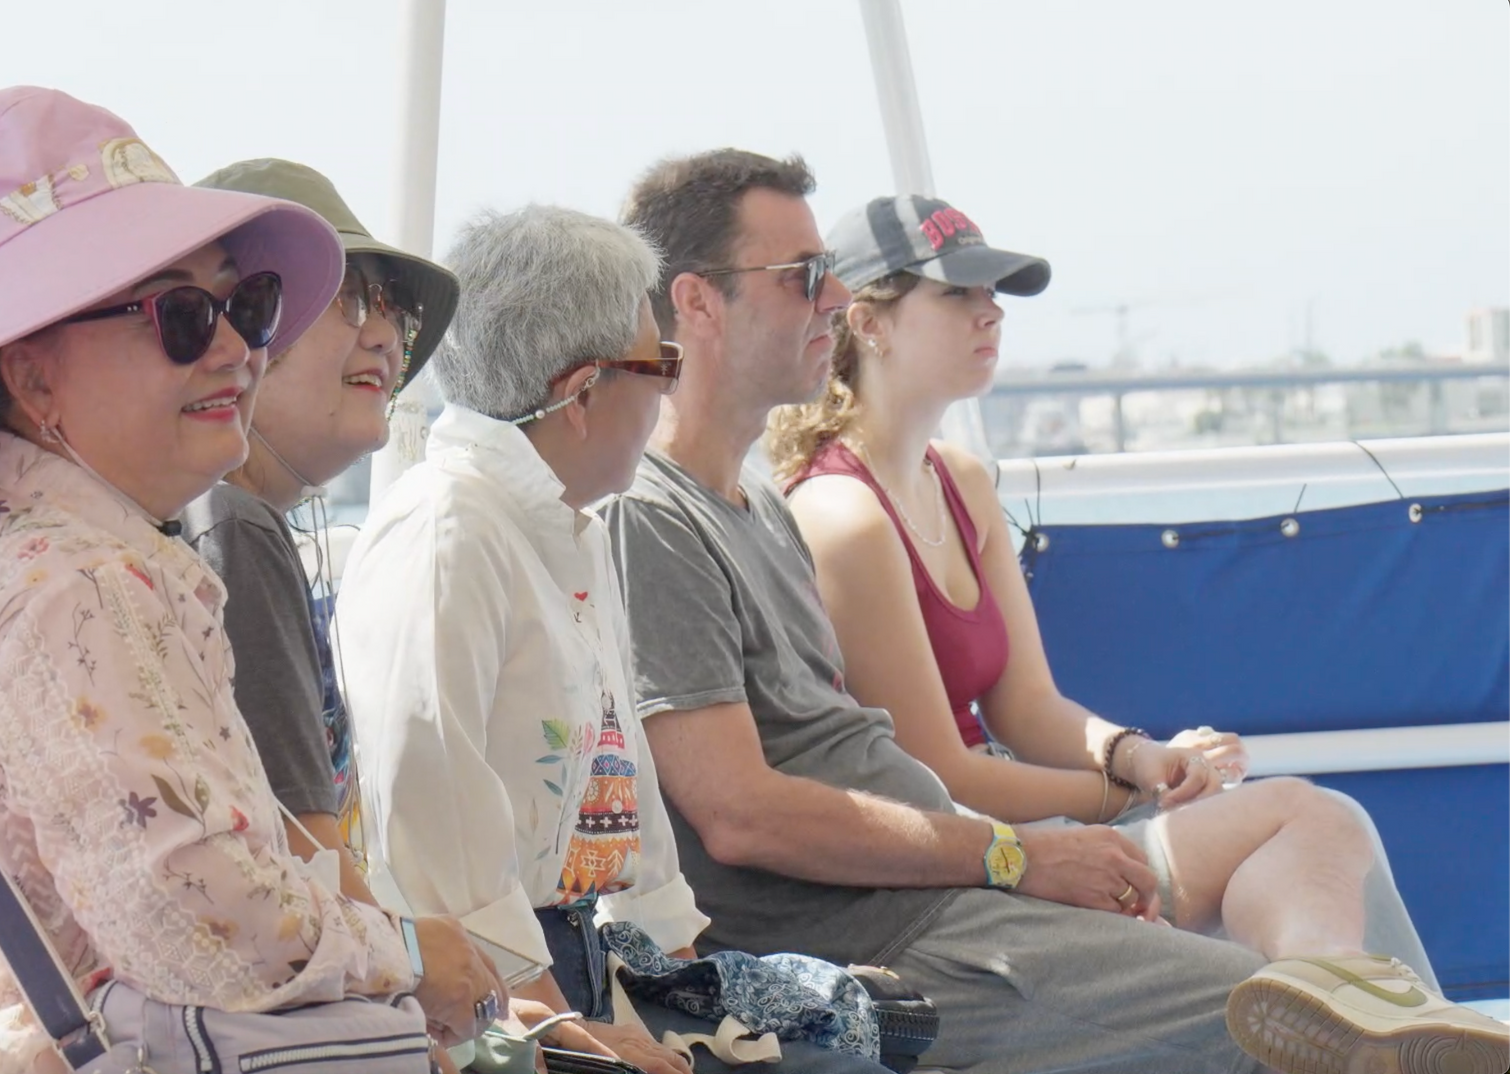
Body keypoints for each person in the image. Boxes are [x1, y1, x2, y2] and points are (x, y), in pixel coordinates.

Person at [606, 149, 1508, 1074]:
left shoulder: (755, 510)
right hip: (908, 929)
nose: (832, 297)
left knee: (1323, 856)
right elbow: (742, 817)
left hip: (958, 886)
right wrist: (1021, 855)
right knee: (1274, 1028)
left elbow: (991, 718)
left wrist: (1118, 774)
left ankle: (1348, 994)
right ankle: (1357, 1016)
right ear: (696, 302)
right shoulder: (662, 517)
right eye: (803, 277)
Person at [0, 87, 500, 1073]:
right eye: (181, 316)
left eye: (247, 305)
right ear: (32, 376)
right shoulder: (74, 583)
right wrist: (402, 954)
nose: (239, 348)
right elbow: (192, 922)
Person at [768, 193, 1446, 985]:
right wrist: (1123, 793)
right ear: (868, 322)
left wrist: (1147, 759)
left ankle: (1340, 1000)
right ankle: (1365, 1008)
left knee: (1308, 837)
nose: (990, 314)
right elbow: (938, 775)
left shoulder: (960, 479)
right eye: (957, 293)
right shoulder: (841, 514)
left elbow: (1025, 706)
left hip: (1030, 821)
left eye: (993, 295)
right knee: (1312, 818)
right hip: (978, 864)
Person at [337, 205, 891, 1074]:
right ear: (585, 390)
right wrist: (558, 1026)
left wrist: (681, 969)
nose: (669, 388)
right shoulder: (450, 534)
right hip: (497, 995)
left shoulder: (569, 523)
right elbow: (430, 816)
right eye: (660, 364)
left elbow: (616, 763)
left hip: (588, 953)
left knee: (862, 1029)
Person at [182, 158, 456, 900]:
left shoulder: (234, 516)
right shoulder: (231, 527)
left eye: (394, 306)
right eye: (350, 299)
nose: (384, 337)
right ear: (248, 326)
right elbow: (311, 869)